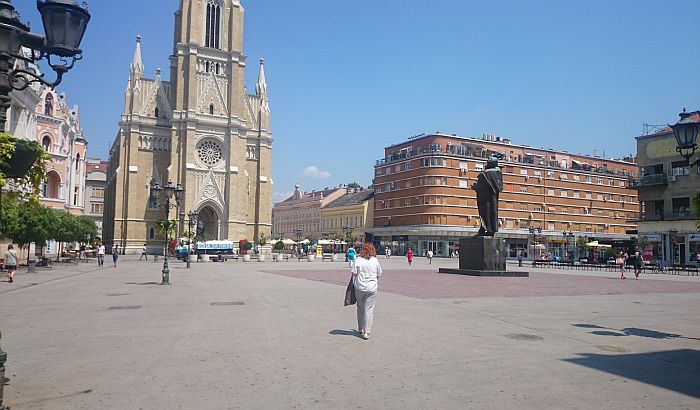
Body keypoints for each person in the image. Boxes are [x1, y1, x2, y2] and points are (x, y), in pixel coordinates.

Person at [351, 243, 382, 340]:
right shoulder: (375, 260)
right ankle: (366, 332)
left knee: (360, 308)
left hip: (359, 287)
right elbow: (379, 274)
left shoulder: (359, 260)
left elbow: (354, 273)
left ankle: (360, 328)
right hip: (371, 288)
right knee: (369, 309)